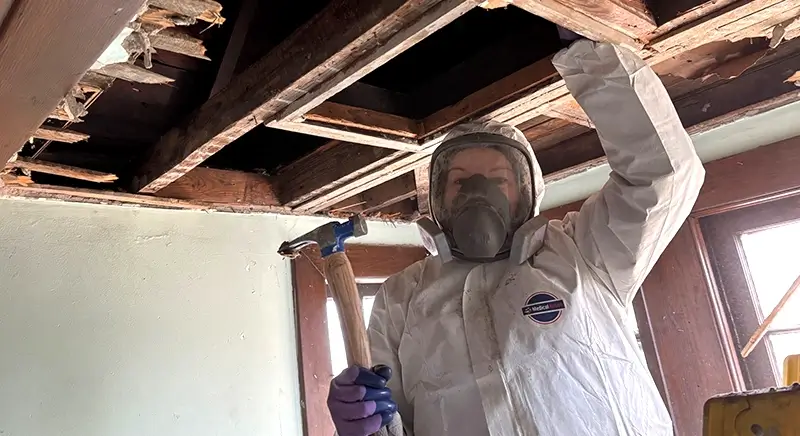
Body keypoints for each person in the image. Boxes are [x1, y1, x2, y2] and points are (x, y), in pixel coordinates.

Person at [327, 39, 705, 436]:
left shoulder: (584, 251)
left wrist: (585, 49)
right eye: (460, 182)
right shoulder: (401, 297)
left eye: (497, 180)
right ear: (437, 196)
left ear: (527, 190)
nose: (478, 194)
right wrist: (361, 425)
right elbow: (388, 420)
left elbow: (661, 176)